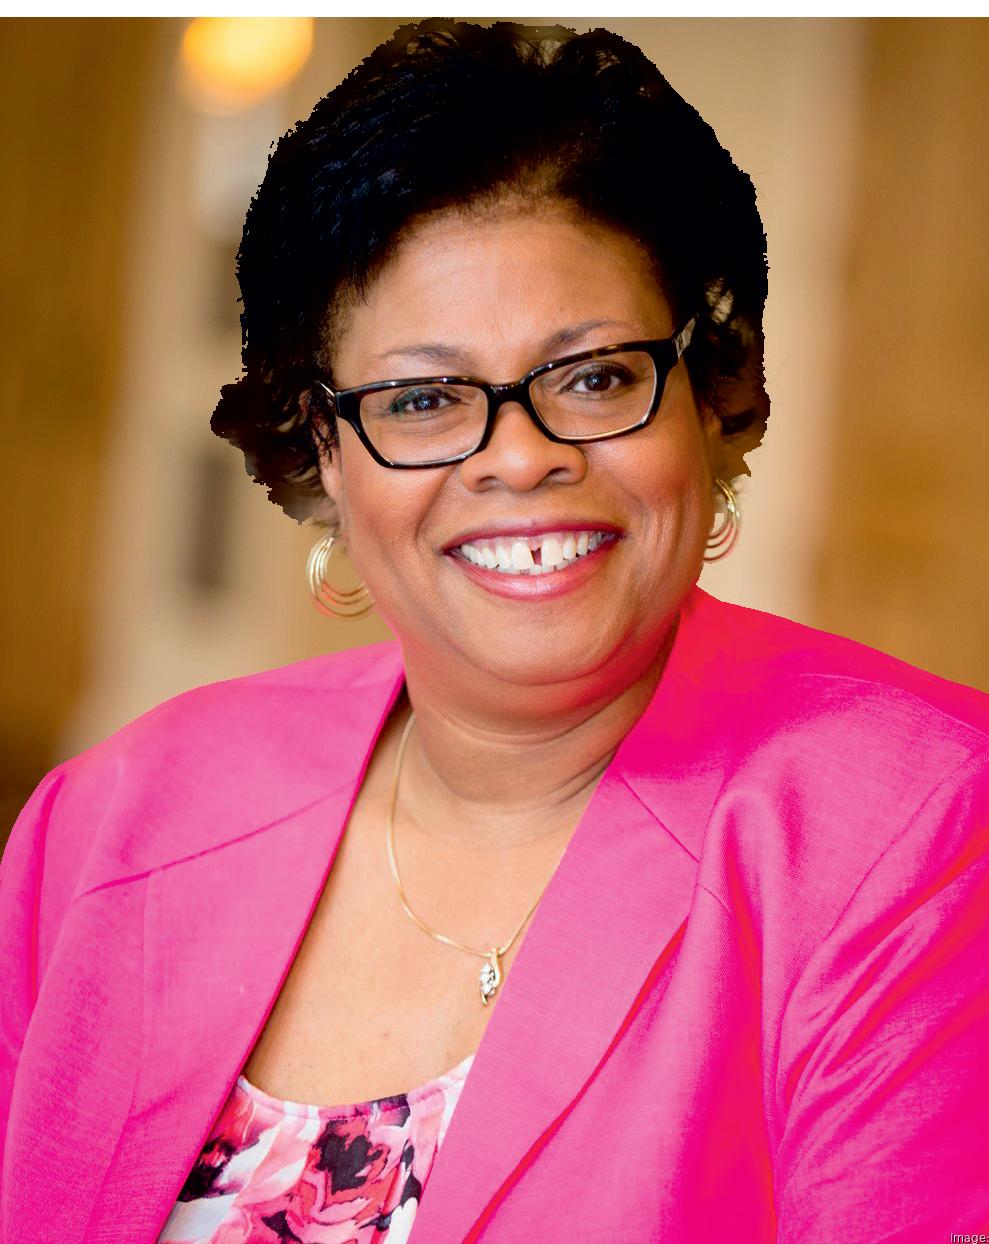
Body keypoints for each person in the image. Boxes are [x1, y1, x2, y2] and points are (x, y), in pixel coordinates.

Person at [1, 19, 987, 1244]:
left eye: (594, 376)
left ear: (703, 398)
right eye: (423, 397)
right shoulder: (114, 817)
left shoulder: (924, 831)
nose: (520, 457)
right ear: (325, 450)